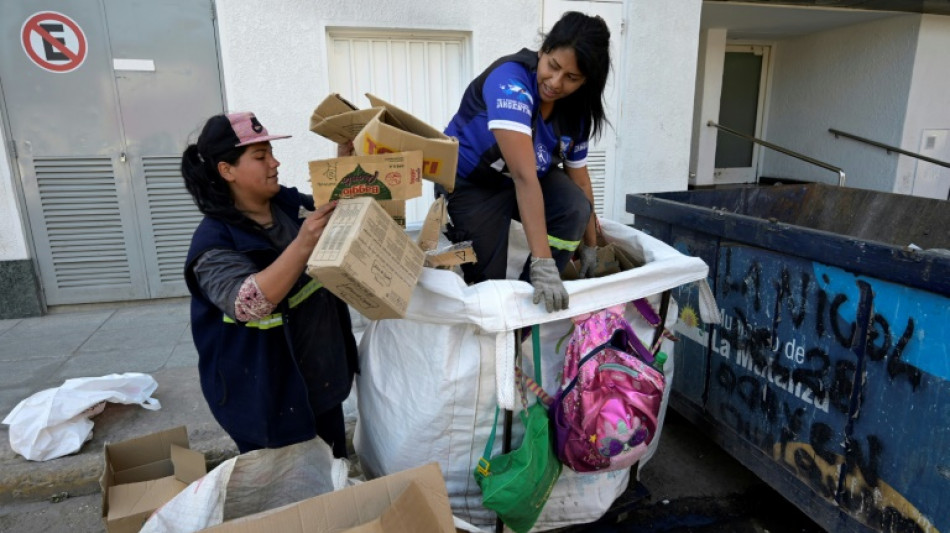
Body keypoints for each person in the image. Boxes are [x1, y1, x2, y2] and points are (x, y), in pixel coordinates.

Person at [181, 111, 358, 457]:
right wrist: (303, 244)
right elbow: (248, 304)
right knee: (286, 488)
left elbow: (332, 214)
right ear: (227, 170)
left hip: (321, 383)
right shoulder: (214, 243)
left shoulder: (287, 205)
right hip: (266, 402)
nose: (274, 163)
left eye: (271, 153)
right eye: (260, 156)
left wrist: (344, 167)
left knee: (334, 475)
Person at [436, 11, 611, 312]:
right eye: (553, 66)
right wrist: (543, 262)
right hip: (473, 181)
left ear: (586, 81)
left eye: (571, 78)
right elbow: (523, 177)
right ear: (543, 51)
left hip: (525, 177)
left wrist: (592, 245)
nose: (555, 83)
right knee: (488, 286)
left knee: (575, 207)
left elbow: (580, 180)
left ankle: (532, 304)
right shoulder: (510, 82)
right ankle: (534, 282)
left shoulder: (577, 110)